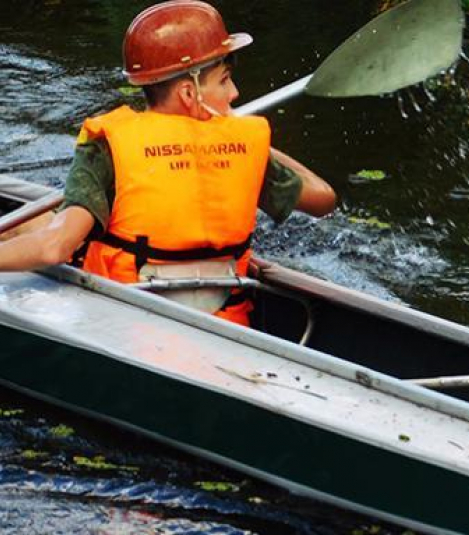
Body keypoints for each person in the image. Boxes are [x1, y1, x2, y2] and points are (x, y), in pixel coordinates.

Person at [0, 0, 336, 326]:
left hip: (123, 316)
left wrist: (233, 129)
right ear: (190, 94)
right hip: (226, 323)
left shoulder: (107, 146)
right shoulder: (246, 147)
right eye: (224, 80)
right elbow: (323, 199)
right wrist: (246, 136)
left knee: (31, 223)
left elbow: (54, 246)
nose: (234, 93)